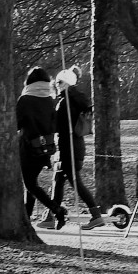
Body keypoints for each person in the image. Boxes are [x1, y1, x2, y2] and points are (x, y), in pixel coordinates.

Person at [47, 67, 107, 229]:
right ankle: (51, 215)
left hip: (69, 148)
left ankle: (96, 215)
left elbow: (57, 125)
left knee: (76, 183)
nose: (57, 85)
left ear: (67, 83)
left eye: (60, 82)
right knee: (59, 180)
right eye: (57, 82)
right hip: (73, 146)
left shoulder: (66, 102)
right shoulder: (75, 100)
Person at [16, 67, 66, 228]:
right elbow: (54, 125)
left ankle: (57, 210)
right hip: (46, 149)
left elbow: (16, 123)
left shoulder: (25, 100)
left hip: (28, 146)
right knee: (31, 182)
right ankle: (27, 216)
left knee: (31, 185)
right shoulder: (49, 100)